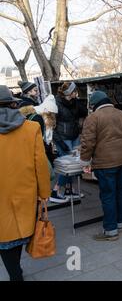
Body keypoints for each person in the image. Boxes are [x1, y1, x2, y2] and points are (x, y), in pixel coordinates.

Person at [0, 85, 51, 281]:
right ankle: (16, 273)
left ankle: (15, 273)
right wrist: (44, 193)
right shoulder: (31, 128)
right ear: (13, 103)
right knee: (18, 234)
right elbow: (41, 165)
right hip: (25, 194)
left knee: (4, 236)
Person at [80, 91, 122, 241]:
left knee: (108, 195)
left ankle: (111, 230)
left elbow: (87, 143)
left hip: (104, 163)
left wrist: (85, 161)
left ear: (94, 105)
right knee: (120, 192)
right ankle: (120, 223)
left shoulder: (93, 118)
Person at [51, 82, 88, 203]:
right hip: (63, 137)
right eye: (74, 91)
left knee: (75, 164)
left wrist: (77, 101)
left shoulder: (74, 102)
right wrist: (59, 142)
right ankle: (55, 191)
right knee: (67, 165)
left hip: (74, 135)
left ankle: (69, 189)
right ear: (69, 93)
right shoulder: (56, 103)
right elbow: (51, 125)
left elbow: (84, 112)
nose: (76, 93)